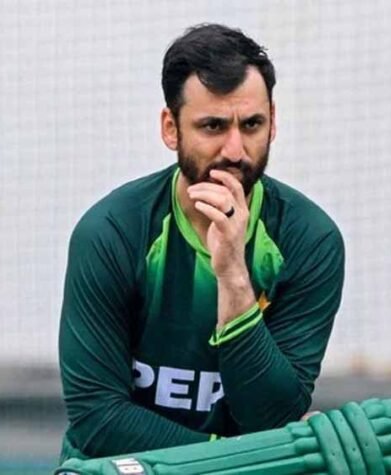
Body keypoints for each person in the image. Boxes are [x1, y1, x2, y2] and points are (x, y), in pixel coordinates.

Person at [58, 23, 344, 460]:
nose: (235, 150)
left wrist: (233, 277)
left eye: (252, 125)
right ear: (170, 128)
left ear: (273, 123)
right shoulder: (112, 232)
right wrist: (227, 459)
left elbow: (273, 416)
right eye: (213, 126)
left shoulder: (309, 240)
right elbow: (98, 419)